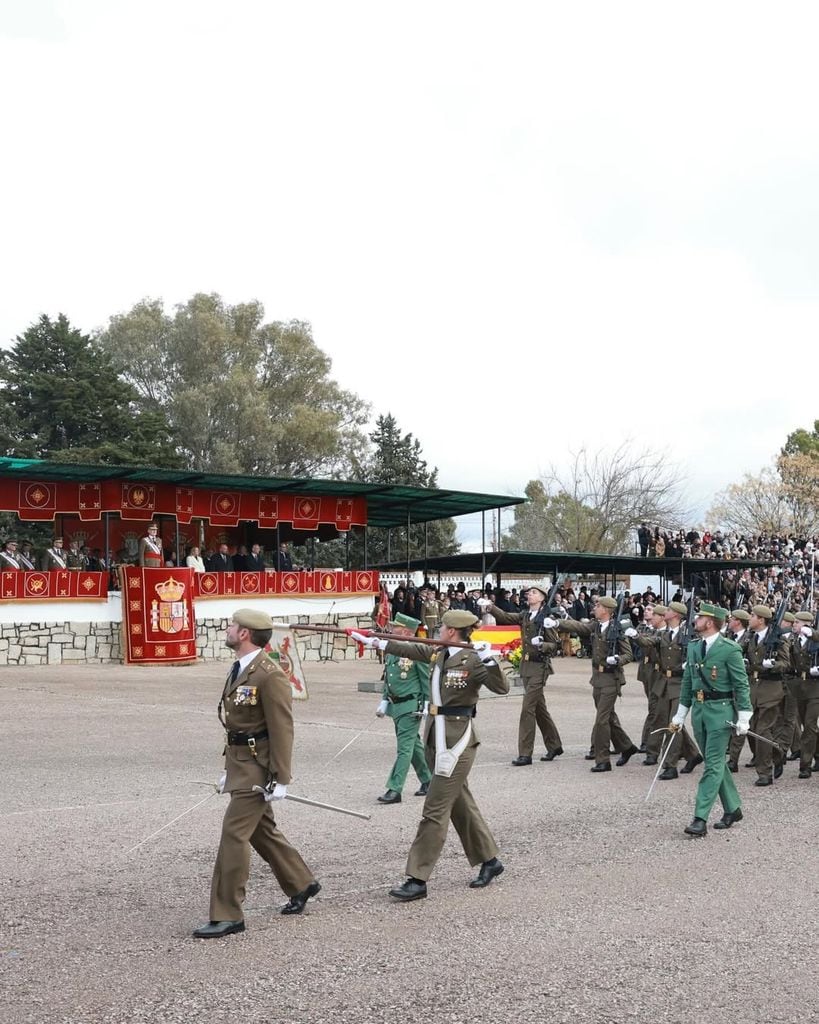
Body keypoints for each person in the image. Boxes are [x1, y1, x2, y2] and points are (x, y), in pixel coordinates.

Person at [352, 610, 508, 901]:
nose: (438, 631)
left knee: (434, 810)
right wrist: (374, 641)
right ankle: (490, 861)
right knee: (460, 804)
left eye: (442, 628)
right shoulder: (440, 653)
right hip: (436, 737)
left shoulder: (473, 658)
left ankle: (417, 878)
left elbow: (502, 687)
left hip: (456, 742)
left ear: (452, 631)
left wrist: (489, 659)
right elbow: (410, 649)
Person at [193, 608, 320, 938]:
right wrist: (230, 769)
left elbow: (282, 730)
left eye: (233, 625)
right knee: (261, 830)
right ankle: (301, 882)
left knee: (234, 834)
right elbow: (238, 726)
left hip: (258, 768)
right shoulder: (241, 667)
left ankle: (228, 914)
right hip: (241, 764)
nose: (228, 628)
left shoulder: (269, 674)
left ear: (245, 633)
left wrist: (281, 778)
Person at [669, 602, 752, 835]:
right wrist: (680, 714)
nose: (695, 620)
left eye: (700, 617)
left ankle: (700, 818)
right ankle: (733, 808)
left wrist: (744, 716)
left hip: (720, 713)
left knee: (713, 764)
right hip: (700, 712)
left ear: (711, 622)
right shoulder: (694, 647)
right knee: (715, 763)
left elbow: (741, 685)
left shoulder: (730, 649)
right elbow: (688, 683)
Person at [479, 580, 563, 765]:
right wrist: (491, 607)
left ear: (541, 598)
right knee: (539, 709)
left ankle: (525, 753)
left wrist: (542, 645)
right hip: (526, 667)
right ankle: (554, 745)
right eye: (529, 592)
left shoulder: (546, 619)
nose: (529, 595)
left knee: (527, 709)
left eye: (534, 592)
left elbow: (555, 646)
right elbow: (506, 617)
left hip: (539, 667)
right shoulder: (525, 615)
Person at [552, 596, 638, 772]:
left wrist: (617, 659)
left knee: (601, 720)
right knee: (609, 718)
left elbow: (629, 655)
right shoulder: (596, 626)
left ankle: (603, 760)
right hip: (597, 678)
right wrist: (558, 622)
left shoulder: (617, 629)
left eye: (598, 606)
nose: (594, 608)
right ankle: (627, 747)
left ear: (606, 610)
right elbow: (579, 626)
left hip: (611, 679)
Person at [629, 602, 701, 778]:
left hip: (681, 684)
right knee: (662, 720)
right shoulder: (664, 634)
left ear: (675, 614)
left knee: (673, 724)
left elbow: (700, 654)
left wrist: (690, 662)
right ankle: (693, 755)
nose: (664, 612)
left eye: (668, 610)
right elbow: (649, 641)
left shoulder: (689, 636)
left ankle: (670, 765)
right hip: (664, 683)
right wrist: (635, 636)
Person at [374, 612, 433, 805]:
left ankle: (395, 788)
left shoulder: (418, 651)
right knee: (413, 745)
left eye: (396, 627)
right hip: (396, 706)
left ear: (407, 632)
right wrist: (384, 701)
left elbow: (425, 680)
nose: (391, 629)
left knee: (404, 749)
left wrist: (426, 704)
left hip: (411, 706)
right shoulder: (393, 649)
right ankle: (428, 780)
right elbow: (389, 678)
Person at [744, 604, 790, 786]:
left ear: (761, 619)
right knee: (752, 729)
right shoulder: (750, 637)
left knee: (763, 729)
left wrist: (773, 665)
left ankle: (764, 773)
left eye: (752, 615)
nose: (750, 618)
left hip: (771, 689)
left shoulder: (778, 640)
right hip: (753, 687)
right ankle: (778, 754)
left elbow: (785, 664)